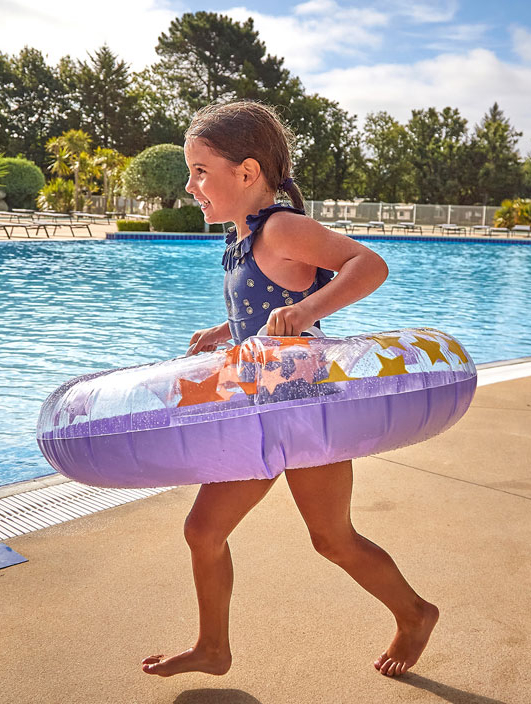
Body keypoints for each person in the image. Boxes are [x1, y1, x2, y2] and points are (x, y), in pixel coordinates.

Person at [141, 101, 439, 679]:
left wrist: (305, 311)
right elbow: (264, 307)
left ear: (246, 173)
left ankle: (415, 613)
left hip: (304, 410)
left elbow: (368, 265)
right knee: (203, 530)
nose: (190, 184)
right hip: (254, 411)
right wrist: (225, 330)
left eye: (200, 170)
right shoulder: (241, 238)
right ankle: (213, 649)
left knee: (331, 539)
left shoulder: (280, 227)